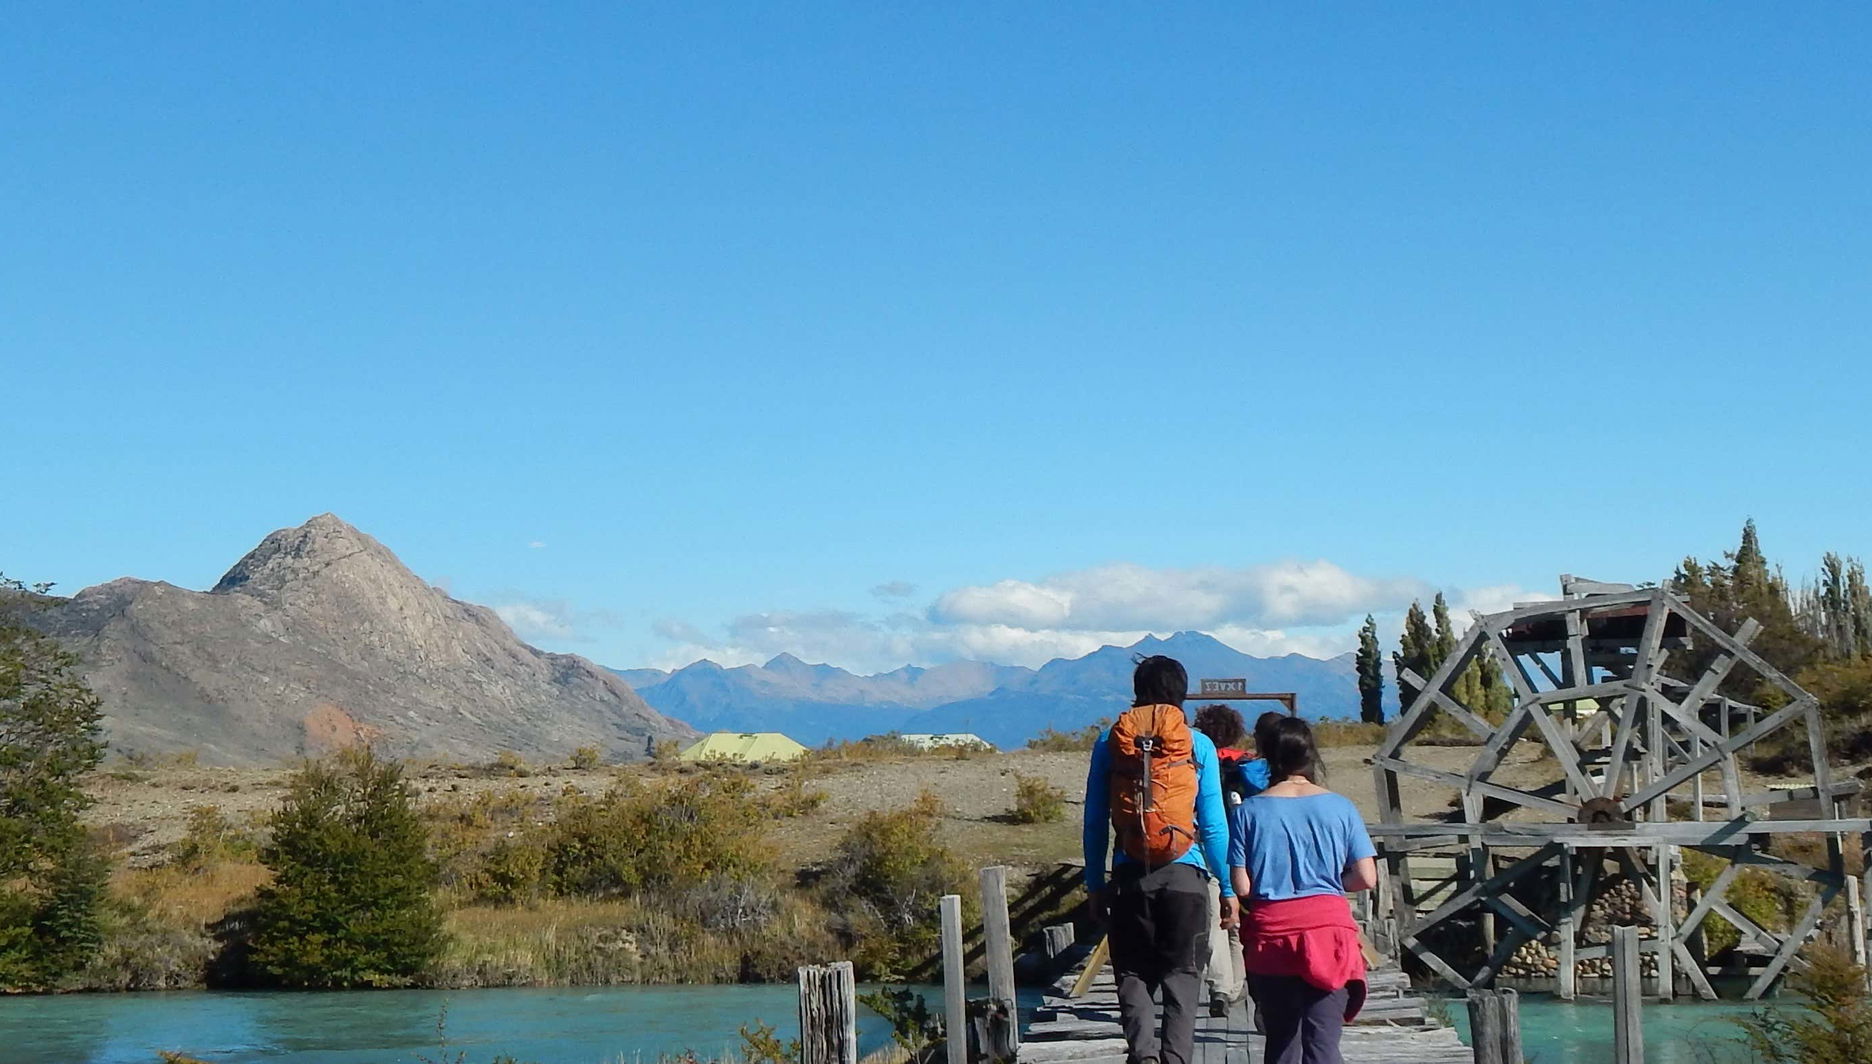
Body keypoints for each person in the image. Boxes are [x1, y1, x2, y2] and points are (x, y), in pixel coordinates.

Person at [1084, 656, 1236, 1064]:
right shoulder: (1196, 743)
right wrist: (1227, 888)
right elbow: (1215, 826)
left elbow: (1095, 820)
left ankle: (1144, 1057)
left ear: (1137, 692)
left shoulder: (1109, 742)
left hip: (1130, 874)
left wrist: (1095, 884)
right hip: (1187, 875)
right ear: (1180, 694)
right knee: (1182, 977)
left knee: (1132, 975)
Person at [1228, 716, 1378, 1064]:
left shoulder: (1249, 811)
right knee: (1323, 1045)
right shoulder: (1341, 806)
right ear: (1311, 756)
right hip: (1330, 933)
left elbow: (1242, 885)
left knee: (1281, 1043)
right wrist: (1331, 886)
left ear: (1268, 757)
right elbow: (1367, 877)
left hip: (1272, 935)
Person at [1190, 704, 1256, 1017]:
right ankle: (1236, 984)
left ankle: (1220, 986)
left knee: (1216, 917)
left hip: (1208, 850)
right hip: (1244, 855)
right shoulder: (1245, 766)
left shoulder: (1198, 762)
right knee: (1238, 925)